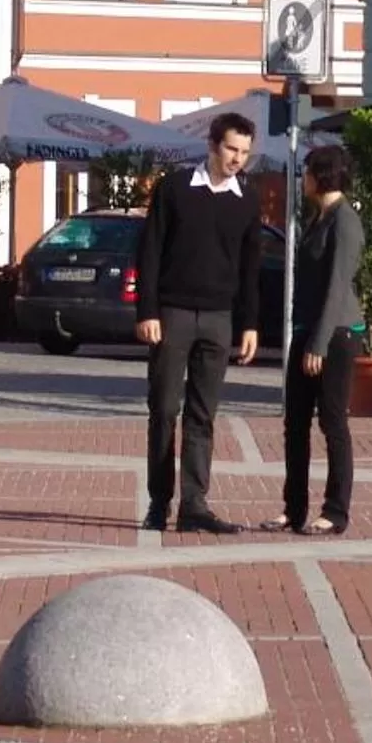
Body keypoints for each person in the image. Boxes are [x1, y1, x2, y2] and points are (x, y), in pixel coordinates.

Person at [134, 112, 261, 534]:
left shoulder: (247, 198)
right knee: (164, 409)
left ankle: (194, 505)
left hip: (219, 318)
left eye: (244, 152)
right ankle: (159, 502)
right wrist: (147, 311)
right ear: (212, 145)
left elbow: (250, 266)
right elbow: (150, 250)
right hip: (173, 314)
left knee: (203, 414)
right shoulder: (174, 188)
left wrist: (249, 323)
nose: (237, 159)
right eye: (231, 149)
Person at [269, 144, 363, 535]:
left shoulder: (345, 221)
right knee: (295, 423)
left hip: (335, 334)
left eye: (306, 172)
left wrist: (319, 344)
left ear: (321, 176)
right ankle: (293, 508)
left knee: (332, 421)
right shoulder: (318, 217)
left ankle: (336, 511)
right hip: (307, 329)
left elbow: (337, 287)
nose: (302, 178)